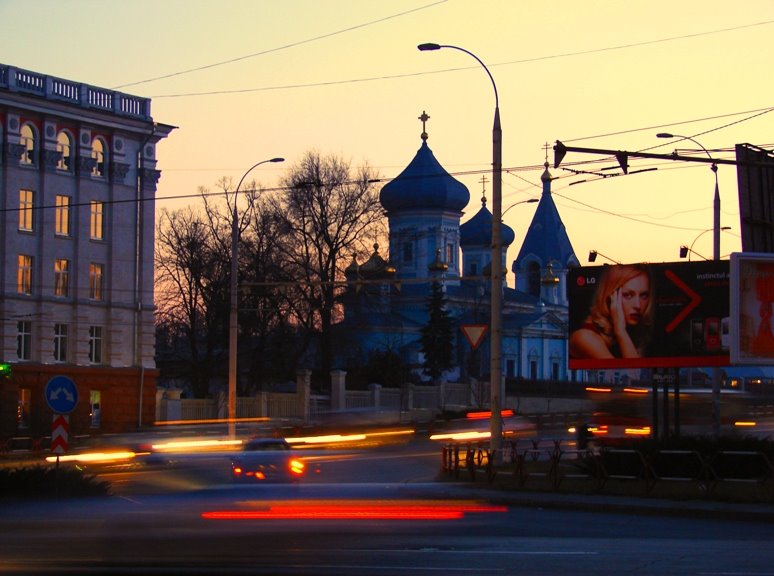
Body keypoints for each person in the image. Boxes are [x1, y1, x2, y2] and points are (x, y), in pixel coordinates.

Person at [570, 264, 653, 359]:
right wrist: (620, 331)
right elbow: (633, 372)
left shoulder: (635, 335)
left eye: (643, 296)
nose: (638, 305)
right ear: (610, 298)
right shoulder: (585, 338)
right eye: (628, 295)